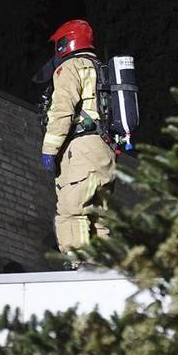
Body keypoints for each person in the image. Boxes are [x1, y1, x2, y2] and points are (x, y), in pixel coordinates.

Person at [39, 19, 116, 256]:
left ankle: (78, 268)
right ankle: (102, 270)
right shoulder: (101, 69)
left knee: (72, 212)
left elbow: (62, 111)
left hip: (81, 151)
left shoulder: (71, 67)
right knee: (98, 220)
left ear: (65, 43)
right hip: (105, 153)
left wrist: (49, 149)